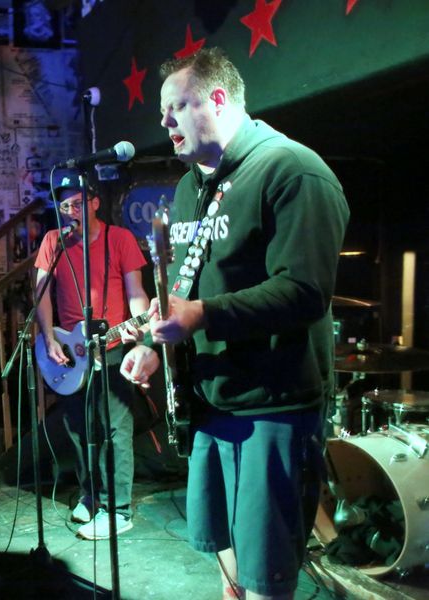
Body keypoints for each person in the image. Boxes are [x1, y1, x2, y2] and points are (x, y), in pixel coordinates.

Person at [120, 48, 349, 599]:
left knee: (266, 579)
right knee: (228, 571)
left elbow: (304, 291)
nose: (164, 122)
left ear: (218, 99)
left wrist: (201, 316)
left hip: (273, 408)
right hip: (212, 404)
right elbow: (184, 288)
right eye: (161, 111)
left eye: (176, 106)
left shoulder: (292, 170)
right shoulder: (188, 187)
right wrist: (153, 340)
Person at [34, 172, 149, 540]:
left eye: (77, 203)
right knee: (79, 429)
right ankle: (91, 495)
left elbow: (137, 293)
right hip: (70, 351)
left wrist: (139, 329)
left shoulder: (120, 239)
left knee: (115, 429)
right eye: (64, 205)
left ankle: (119, 510)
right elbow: (41, 292)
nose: (70, 211)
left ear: (94, 202)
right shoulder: (53, 241)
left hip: (111, 348)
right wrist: (48, 338)